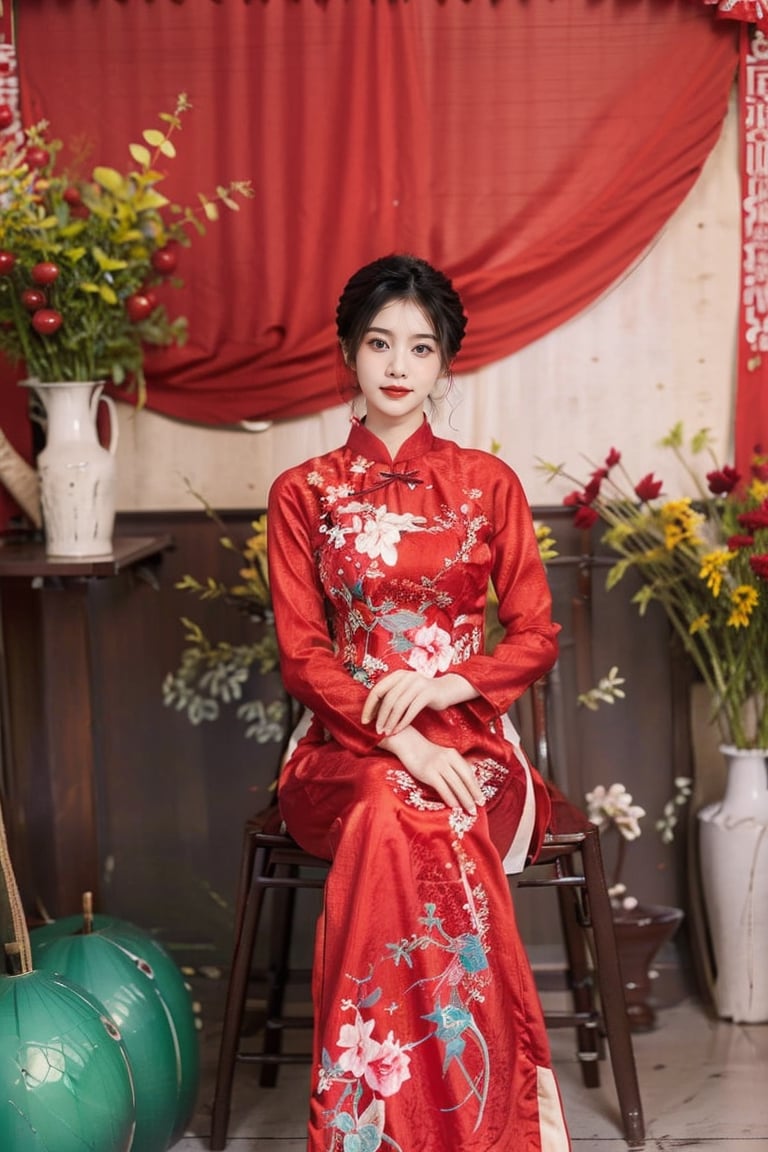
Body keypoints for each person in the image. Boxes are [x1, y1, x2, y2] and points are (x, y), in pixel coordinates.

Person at [266, 254, 571, 1151]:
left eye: (421, 349)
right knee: (388, 802)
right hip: (341, 748)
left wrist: (445, 688)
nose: (399, 366)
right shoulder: (305, 495)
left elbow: (535, 635)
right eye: (379, 343)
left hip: (473, 740)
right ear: (350, 354)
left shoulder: (488, 486)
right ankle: (429, 1123)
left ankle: (422, 1123)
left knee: (407, 812)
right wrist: (404, 742)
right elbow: (302, 656)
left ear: (444, 366)